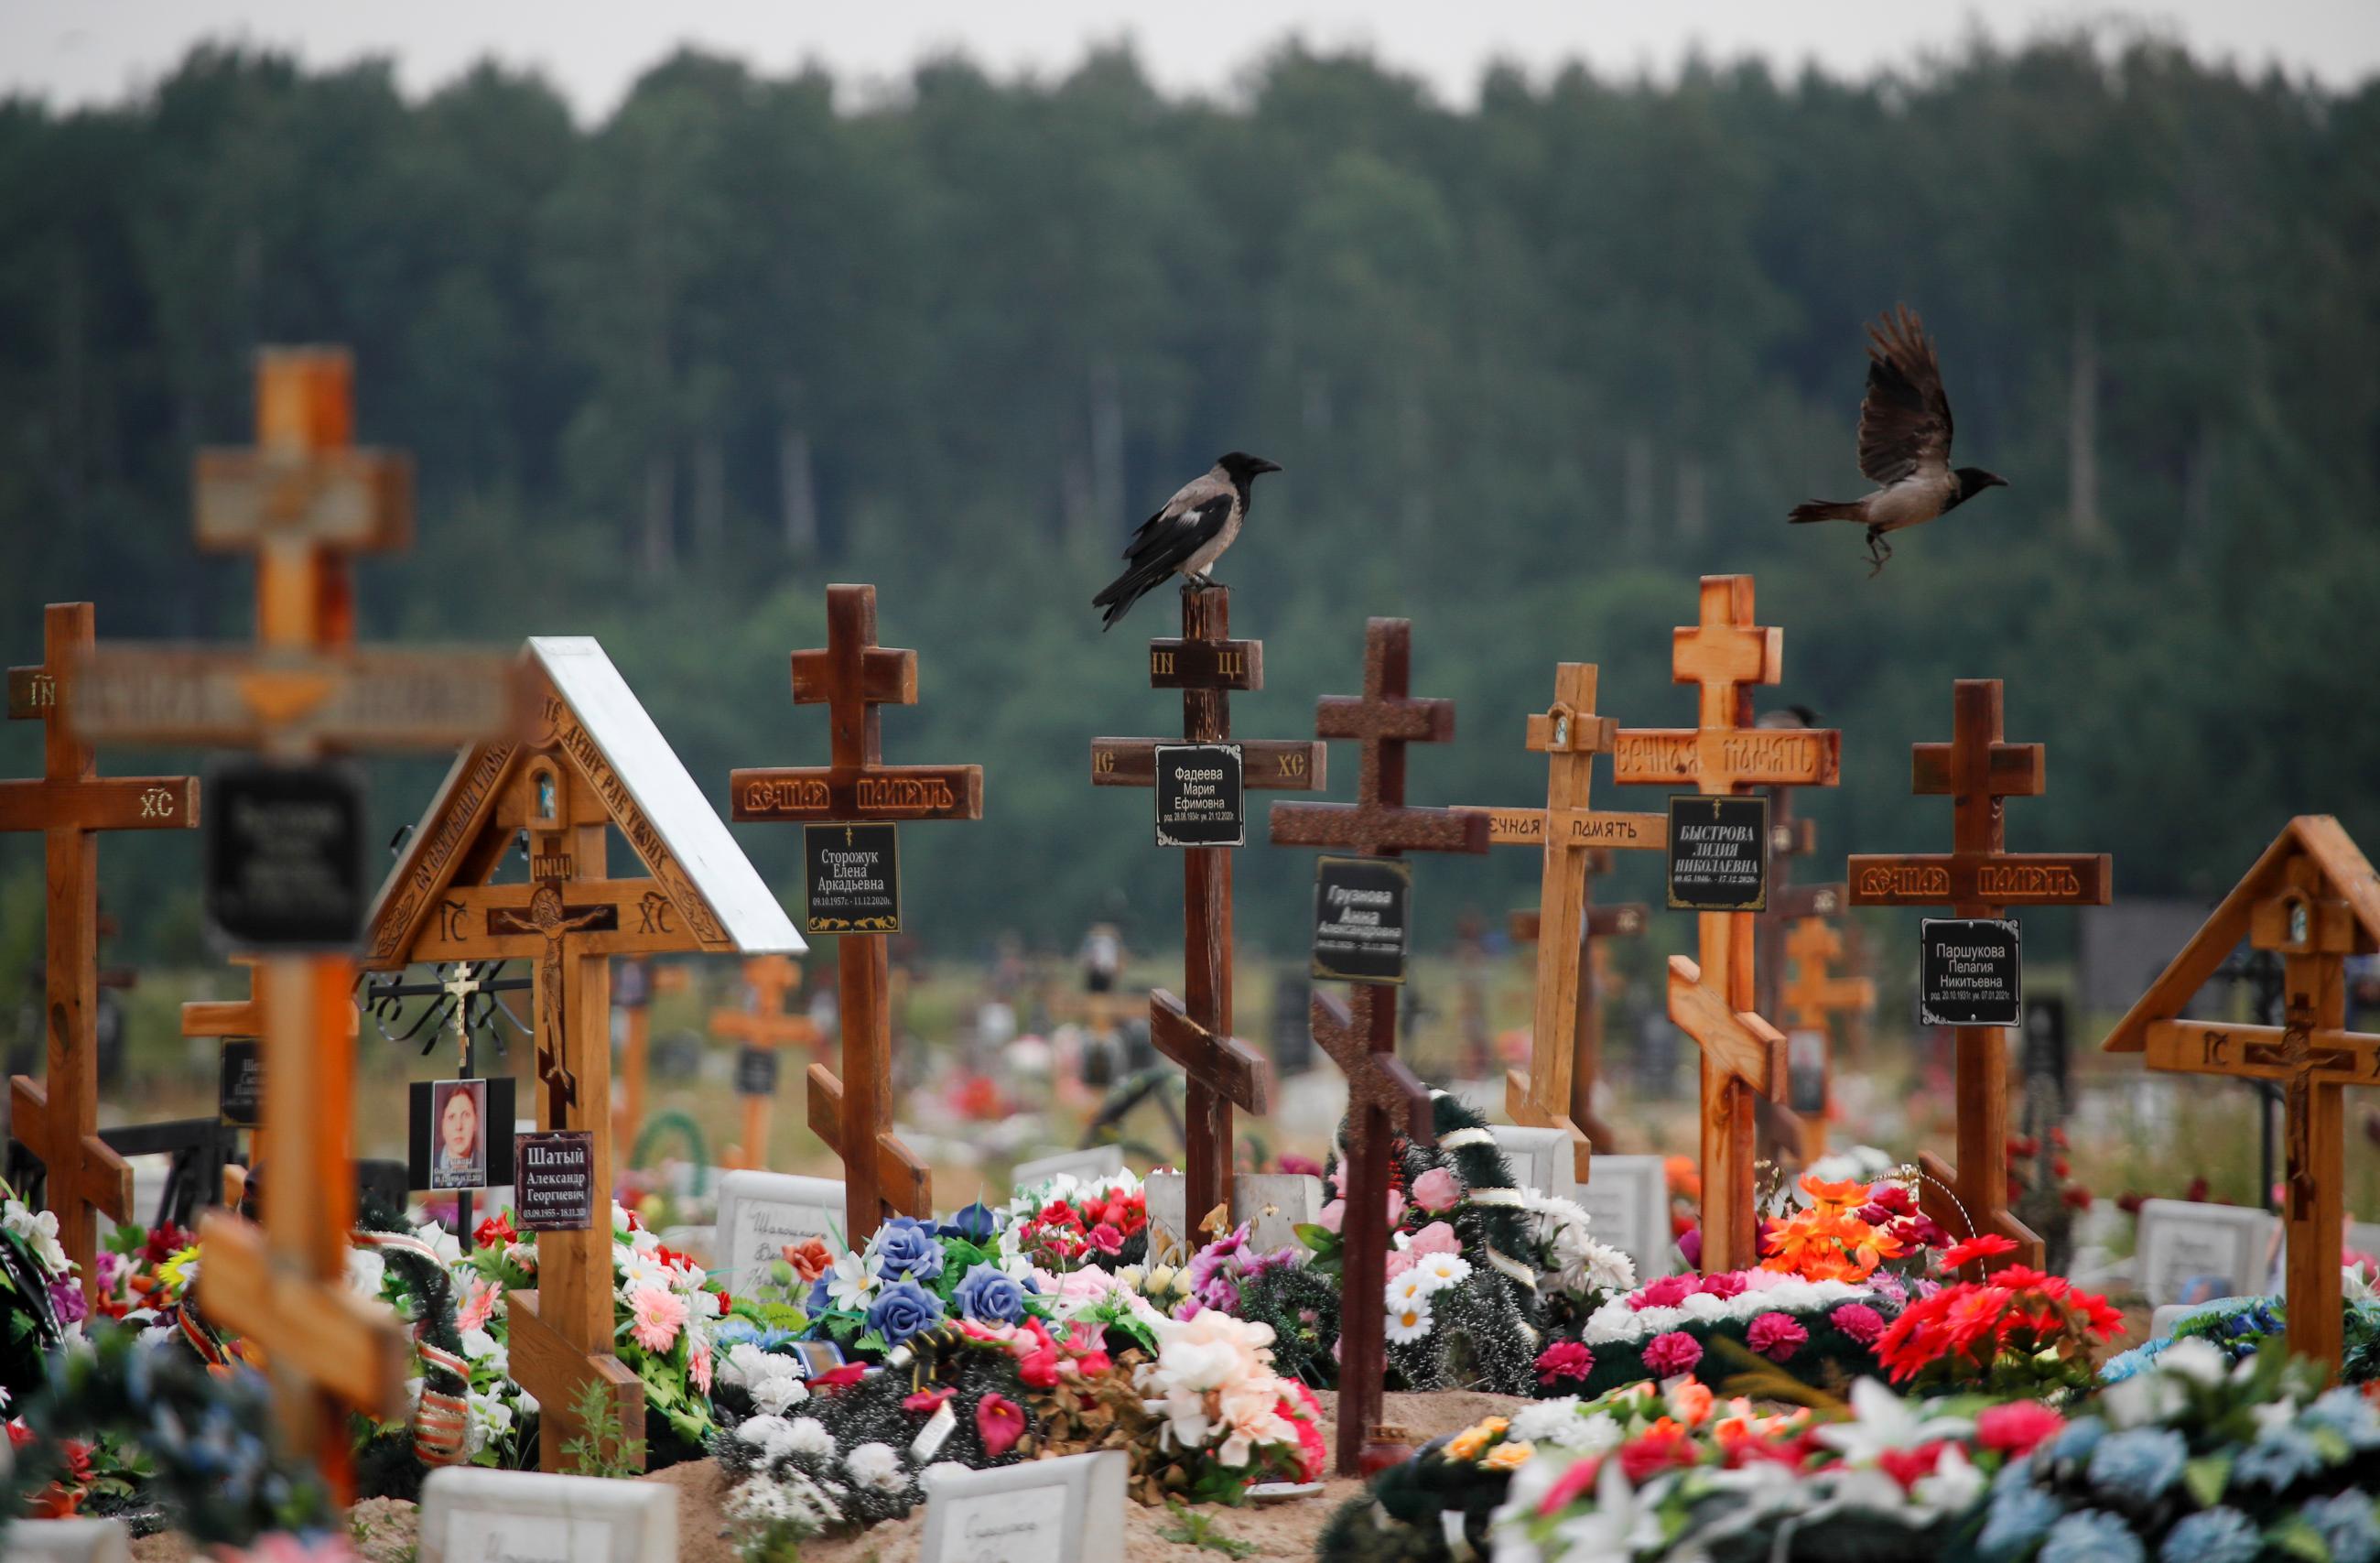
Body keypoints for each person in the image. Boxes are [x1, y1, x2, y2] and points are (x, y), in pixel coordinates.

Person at [431, 1080, 485, 1190]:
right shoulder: (427, 1168)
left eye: (466, 1115)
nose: (458, 1126)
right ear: (443, 1125)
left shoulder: (487, 1167)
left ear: (476, 1122)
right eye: (451, 1117)